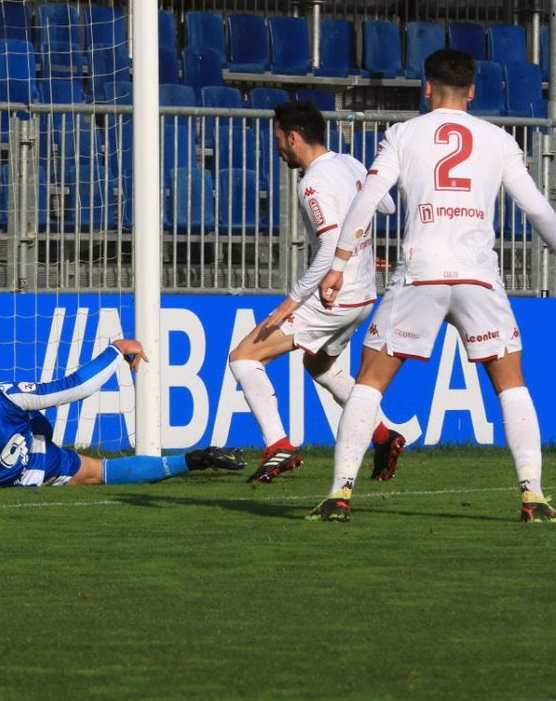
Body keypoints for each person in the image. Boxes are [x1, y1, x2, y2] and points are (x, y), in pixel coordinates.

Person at [310, 48, 556, 522]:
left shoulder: (402, 134)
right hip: (478, 275)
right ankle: (533, 495)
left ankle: (339, 494)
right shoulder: (498, 139)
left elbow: (367, 199)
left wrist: (339, 262)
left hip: (420, 272)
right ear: (471, 90)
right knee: (510, 383)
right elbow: (538, 210)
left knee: (370, 382)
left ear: (426, 88)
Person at [228, 100, 405, 484]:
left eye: (278, 139)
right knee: (319, 365)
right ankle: (383, 434)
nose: (277, 147)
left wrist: (291, 301)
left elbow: (328, 246)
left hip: (331, 298)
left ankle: (278, 446)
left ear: (293, 137)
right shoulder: (351, 164)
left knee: (243, 358)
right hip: (362, 298)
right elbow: (388, 205)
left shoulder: (312, 182)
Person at [0, 339, 247, 489]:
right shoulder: (4, 397)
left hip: (27, 476)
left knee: (99, 476)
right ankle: (191, 459)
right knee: (102, 469)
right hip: (43, 454)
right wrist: (116, 350)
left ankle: (194, 461)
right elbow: (76, 386)